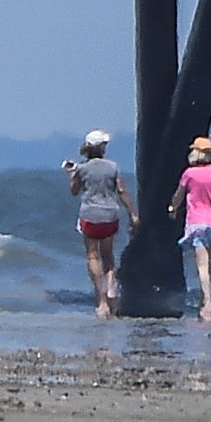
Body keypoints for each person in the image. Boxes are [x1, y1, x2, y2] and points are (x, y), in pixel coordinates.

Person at [65, 128, 132, 320]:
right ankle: (111, 288)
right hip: (110, 214)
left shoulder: (82, 169)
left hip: (90, 215)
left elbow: (74, 191)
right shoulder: (113, 167)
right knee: (108, 256)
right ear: (102, 148)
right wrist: (133, 213)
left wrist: (72, 174)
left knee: (93, 256)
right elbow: (121, 191)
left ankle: (102, 301)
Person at [172, 139, 211, 323]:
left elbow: (178, 196)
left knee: (202, 266)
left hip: (196, 223)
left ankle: (207, 302)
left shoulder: (190, 174)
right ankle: (207, 297)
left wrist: (173, 209)